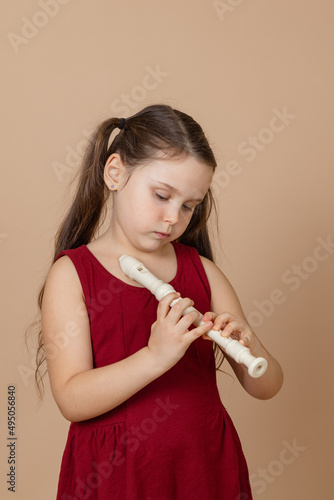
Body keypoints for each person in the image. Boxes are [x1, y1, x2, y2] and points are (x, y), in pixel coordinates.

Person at [37, 104, 283, 500]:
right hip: (117, 475)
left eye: (188, 206)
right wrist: (156, 356)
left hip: (203, 466)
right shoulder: (71, 275)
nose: (173, 218)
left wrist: (249, 346)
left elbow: (267, 386)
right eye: (162, 195)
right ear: (115, 173)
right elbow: (71, 399)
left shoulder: (203, 272)